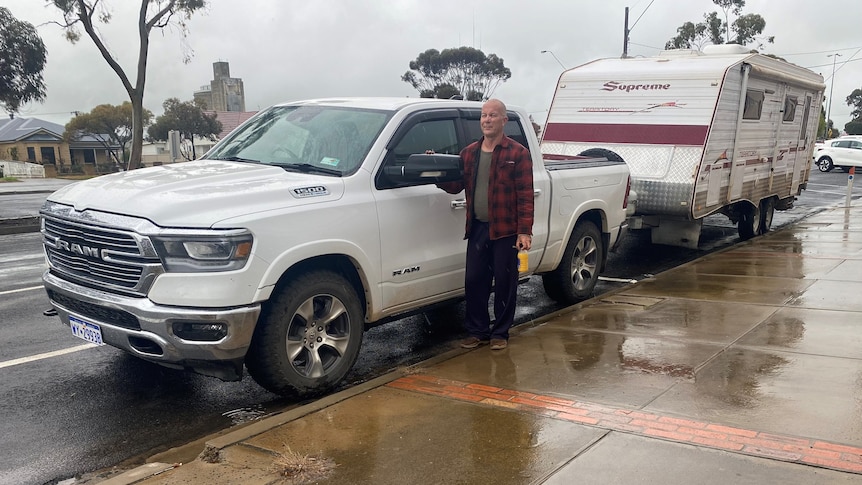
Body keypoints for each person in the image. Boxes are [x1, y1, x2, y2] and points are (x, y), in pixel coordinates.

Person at [438, 99, 534, 350]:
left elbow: (525, 194)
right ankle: (477, 331)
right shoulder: (469, 153)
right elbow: (455, 185)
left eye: (493, 115)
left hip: (507, 231)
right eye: (483, 116)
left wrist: (524, 231)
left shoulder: (518, 153)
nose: (487, 120)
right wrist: (436, 172)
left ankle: (500, 333)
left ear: (504, 120)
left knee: (505, 283)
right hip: (478, 228)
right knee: (474, 281)